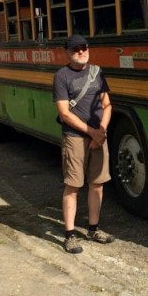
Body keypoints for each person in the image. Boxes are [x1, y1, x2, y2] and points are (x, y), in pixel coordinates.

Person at [53, 34, 115, 254]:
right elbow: (64, 113)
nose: (81, 52)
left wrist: (101, 131)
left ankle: (93, 229)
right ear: (68, 53)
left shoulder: (97, 72)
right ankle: (70, 235)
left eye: (84, 48)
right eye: (75, 49)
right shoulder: (62, 76)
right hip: (75, 138)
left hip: (98, 136)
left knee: (97, 184)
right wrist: (92, 133)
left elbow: (107, 104)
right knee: (73, 185)